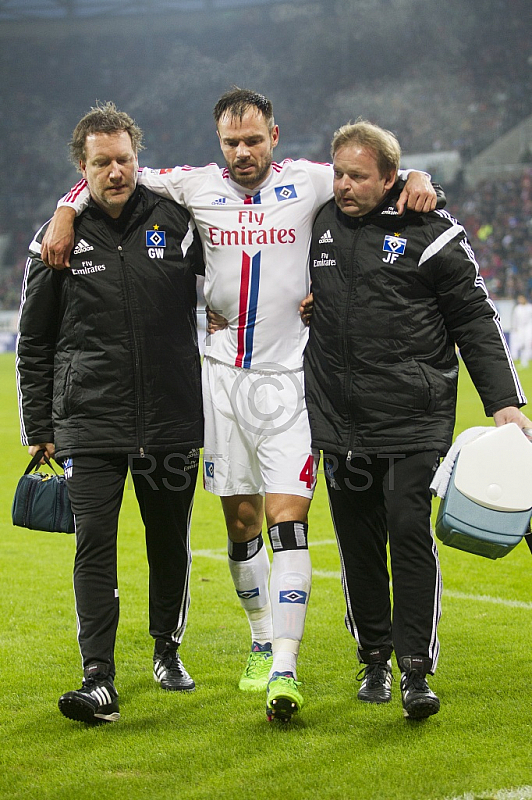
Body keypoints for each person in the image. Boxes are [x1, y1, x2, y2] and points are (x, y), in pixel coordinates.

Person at [40, 88, 437, 722]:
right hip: (221, 379)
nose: (243, 152)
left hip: (290, 380)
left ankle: (285, 665)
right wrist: (65, 208)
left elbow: (382, 174)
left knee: (288, 521)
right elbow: (115, 174)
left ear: (274, 136)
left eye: (253, 140)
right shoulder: (192, 185)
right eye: (231, 142)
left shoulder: (310, 180)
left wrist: (419, 176)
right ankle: (258, 641)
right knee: (241, 525)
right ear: (218, 144)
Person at [301, 120, 530, 720]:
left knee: (407, 532)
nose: (345, 186)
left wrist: (504, 401)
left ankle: (415, 669)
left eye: (359, 176)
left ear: (390, 178)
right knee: (357, 544)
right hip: (338, 415)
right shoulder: (318, 223)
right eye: (340, 174)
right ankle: (373, 658)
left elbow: (477, 320)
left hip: (414, 416)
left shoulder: (433, 233)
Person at [17, 102, 204, 725]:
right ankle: (97, 674)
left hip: (173, 414)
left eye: (124, 159)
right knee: (93, 541)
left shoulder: (179, 221)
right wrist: (39, 428)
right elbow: (35, 340)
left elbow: (229, 278)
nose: (116, 171)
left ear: (136, 159)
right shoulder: (56, 242)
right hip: (90, 419)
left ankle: (166, 648)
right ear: (83, 167)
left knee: (168, 540)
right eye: (102, 162)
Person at [510, 294, 532, 368]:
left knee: (527, 344)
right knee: (521, 345)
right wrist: (514, 327)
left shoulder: (530, 308)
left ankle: (525, 361)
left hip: (528, 328)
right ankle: (520, 360)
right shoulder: (517, 308)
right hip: (520, 328)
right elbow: (514, 319)